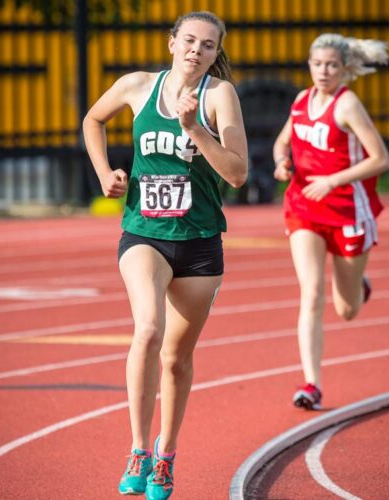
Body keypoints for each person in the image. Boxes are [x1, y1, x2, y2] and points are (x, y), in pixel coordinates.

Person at [83, 10, 247, 498]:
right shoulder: (137, 86)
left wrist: (196, 129)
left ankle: (165, 453)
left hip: (199, 243)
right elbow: (93, 119)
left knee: (176, 358)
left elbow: (237, 174)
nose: (197, 50)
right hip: (144, 234)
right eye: (190, 40)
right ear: (172, 43)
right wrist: (104, 172)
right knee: (148, 329)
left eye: (209, 45)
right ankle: (137, 447)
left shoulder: (220, 97)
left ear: (217, 55)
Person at [273, 33, 389, 411]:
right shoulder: (300, 101)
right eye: (318, 64)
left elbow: (380, 159)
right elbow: (282, 142)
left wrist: (333, 180)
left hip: (347, 211)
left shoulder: (348, 105)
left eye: (332, 66)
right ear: (309, 64)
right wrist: (281, 162)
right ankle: (311, 383)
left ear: (344, 69)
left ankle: (358, 287)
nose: (323, 71)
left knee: (347, 309)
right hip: (304, 206)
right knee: (311, 293)